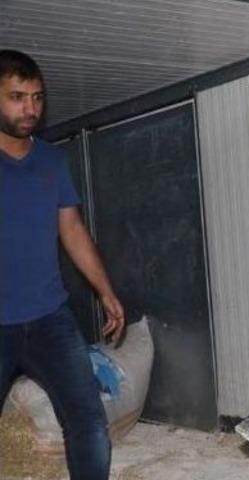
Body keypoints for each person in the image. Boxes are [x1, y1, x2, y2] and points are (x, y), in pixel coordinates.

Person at [0, 49, 125, 480]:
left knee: (88, 420)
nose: (30, 108)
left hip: (50, 318)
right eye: (17, 97)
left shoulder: (52, 162)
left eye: (36, 97)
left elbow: (71, 230)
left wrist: (106, 291)